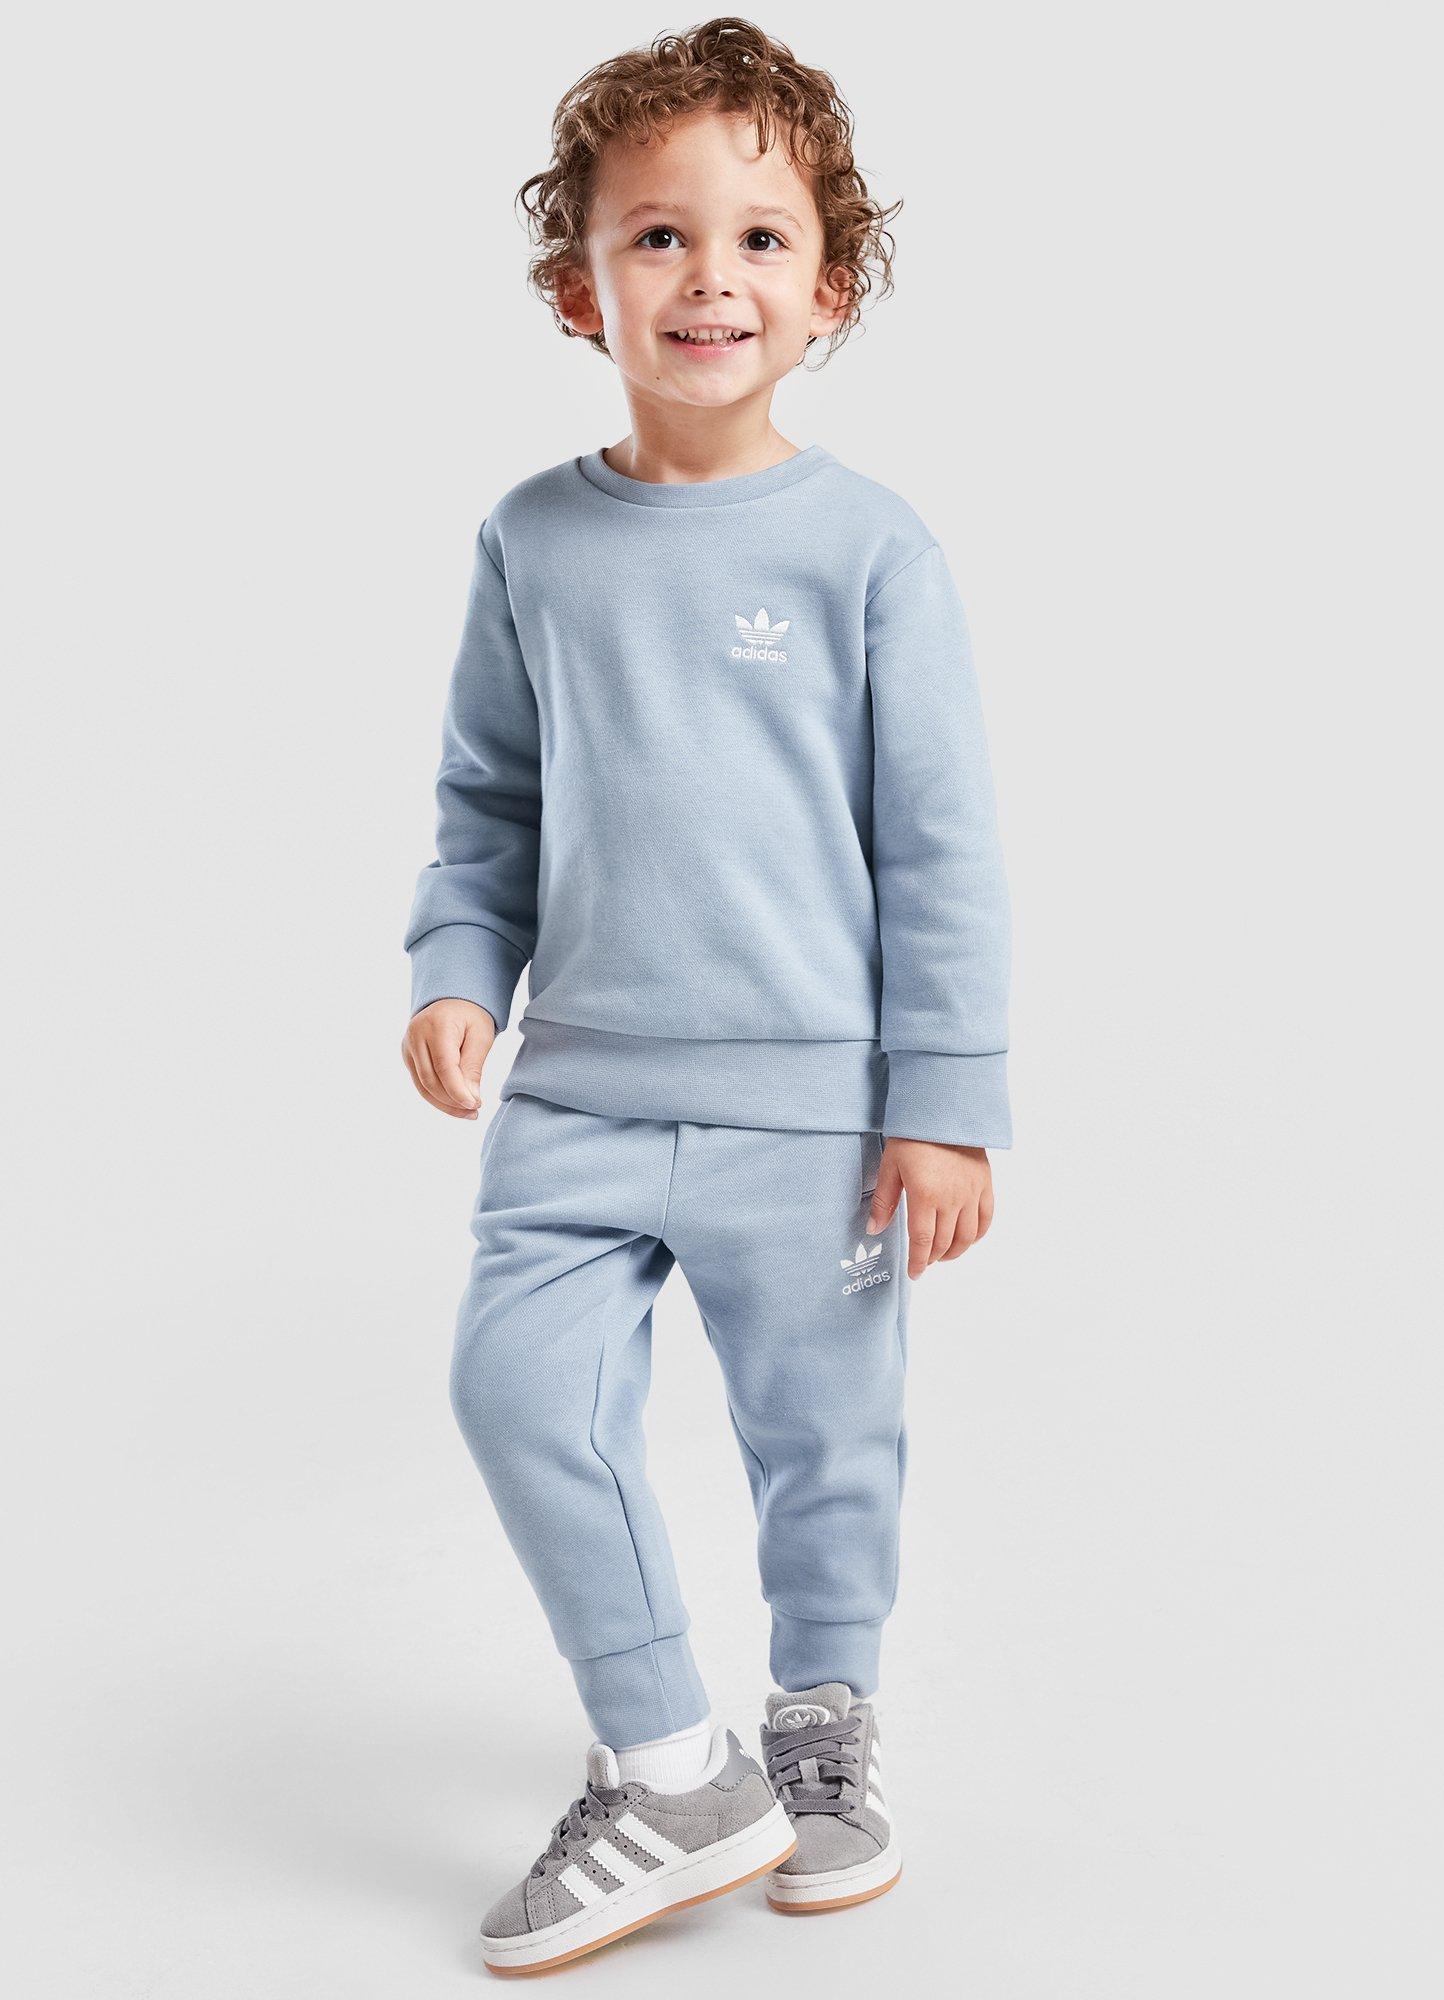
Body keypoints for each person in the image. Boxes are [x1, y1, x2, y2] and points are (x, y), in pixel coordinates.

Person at [401, 17, 1010, 1974]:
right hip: (575, 1089)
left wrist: (944, 1100)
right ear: (578, 286)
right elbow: (489, 800)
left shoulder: (870, 551)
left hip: (812, 1108)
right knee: (515, 1389)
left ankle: (818, 1722)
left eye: (760, 240)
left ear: (827, 291)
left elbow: (938, 844)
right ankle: (671, 1757)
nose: (708, 277)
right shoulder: (530, 538)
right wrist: (455, 970)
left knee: (823, 1437)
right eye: (657, 236)